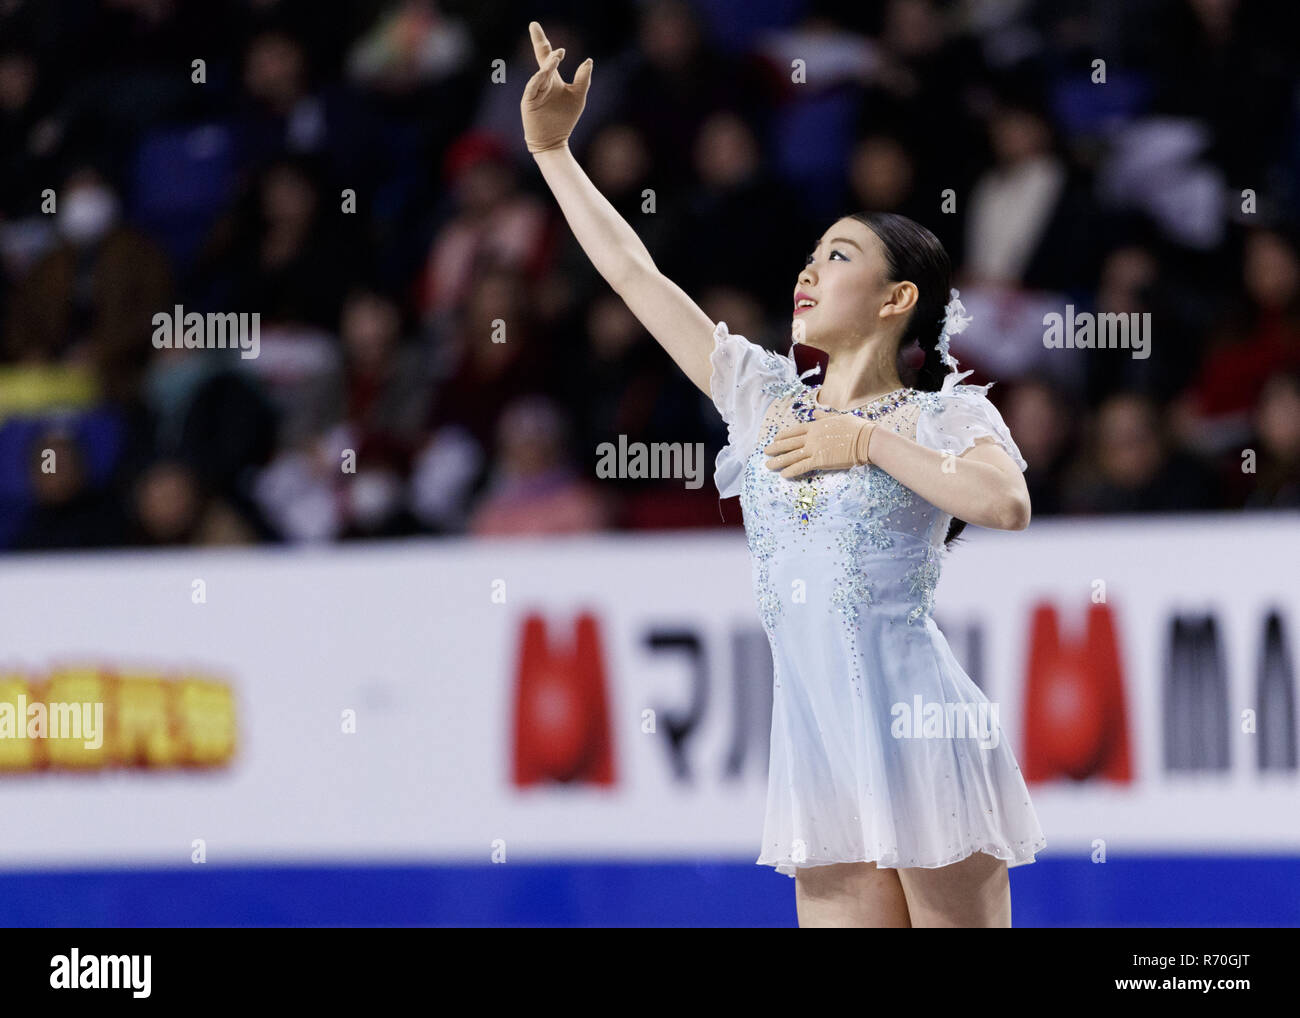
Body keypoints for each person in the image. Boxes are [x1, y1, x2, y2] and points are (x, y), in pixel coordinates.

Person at [520, 22, 1044, 928]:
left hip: (922, 731)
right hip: (817, 750)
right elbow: (636, 277)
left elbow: (1006, 503)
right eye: (809, 255)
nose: (808, 271)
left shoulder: (942, 413)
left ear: (895, 299)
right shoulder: (765, 399)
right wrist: (554, 154)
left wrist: (869, 443)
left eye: (838, 257)